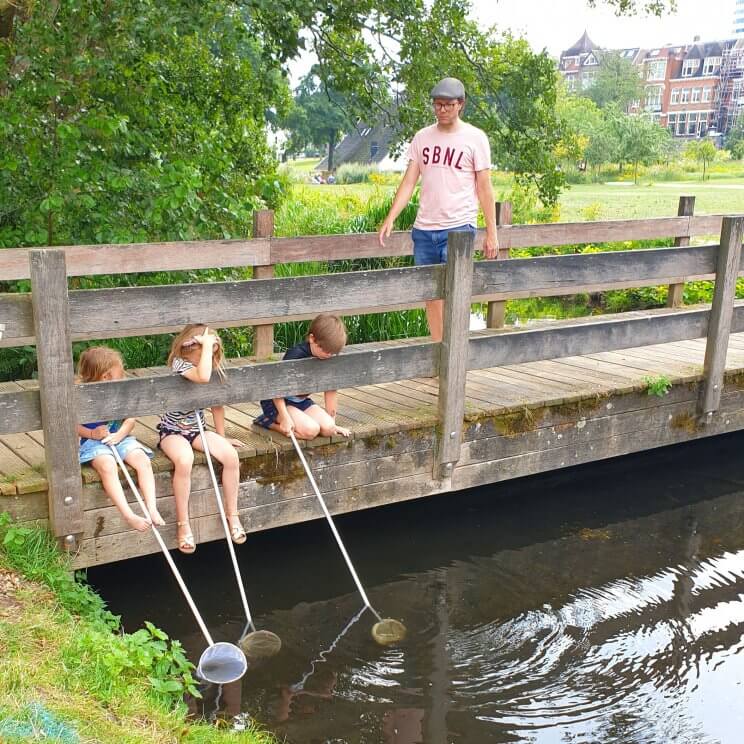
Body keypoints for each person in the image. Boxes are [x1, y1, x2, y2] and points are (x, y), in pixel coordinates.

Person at [378, 76, 499, 342]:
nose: (441, 109)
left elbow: (485, 188)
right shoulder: (422, 137)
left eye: (447, 104)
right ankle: (438, 353)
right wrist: (390, 218)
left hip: (458, 229)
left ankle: (455, 355)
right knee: (431, 295)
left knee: (455, 294)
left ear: (461, 105)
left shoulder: (475, 138)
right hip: (424, 229)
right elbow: (409, 181)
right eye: (437, 104)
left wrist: (492, 232)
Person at [158, 324, 245, 554]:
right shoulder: (180, 363)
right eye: (205, 353)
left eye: (212, 354)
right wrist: (207, 347)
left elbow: (217, 405)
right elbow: (202, 376)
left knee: (230, 456)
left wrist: (222, 437)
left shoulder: (208, 365)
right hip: (172, 431)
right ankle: (183, 524)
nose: (209, 358)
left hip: (198, 429)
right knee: (184, 459)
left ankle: (233, 515)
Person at [77, 346, 164, 532]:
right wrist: (92, 434)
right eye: (120, 374)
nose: (123, 377)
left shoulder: (121, 391)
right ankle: (129, 515)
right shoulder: (82, 395)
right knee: (108, 466)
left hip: (120, 437)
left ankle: (151, 507)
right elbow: (71, 425)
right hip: (93, 443)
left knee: (142, 460)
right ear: (106, 377)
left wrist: (120, 435)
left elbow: (130, 419)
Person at [254, 313, 351, 441]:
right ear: (312, 339)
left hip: (299, 401)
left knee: (328, 429)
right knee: (311, 431)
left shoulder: (327, 356)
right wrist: (284, 417)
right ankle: (268, 422)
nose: (328, 355)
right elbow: (276, 387)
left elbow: (330, 388)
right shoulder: (295, 355)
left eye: (332, 352)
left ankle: (296, 420)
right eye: (325, 350)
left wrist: (332, 424)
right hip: (276, 402)